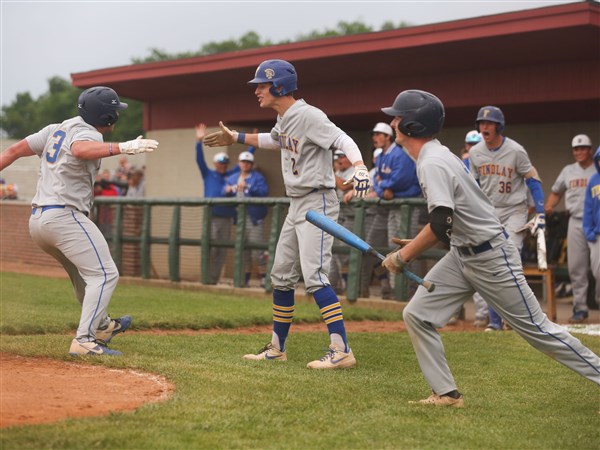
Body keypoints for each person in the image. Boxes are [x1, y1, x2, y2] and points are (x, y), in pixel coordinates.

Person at [379, 89, 600, 407]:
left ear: (412, 125)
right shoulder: (436, 155)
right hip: (462, 253)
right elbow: (451, 220)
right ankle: (447, 394)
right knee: (418, 314)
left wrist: (403, 256)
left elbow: (441, 222)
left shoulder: (432, 162)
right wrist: (415, 243)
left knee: (540, 331)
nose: (393, 123)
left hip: (491, 255)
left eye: (397, 118)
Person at [204, 59, 370, 369]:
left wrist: (359, 166)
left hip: (317, 200)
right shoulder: (286, 117)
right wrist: (238, 138)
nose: (257, 91)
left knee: (315, 276)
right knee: (280, 275)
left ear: (279, 86)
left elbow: (342, 139)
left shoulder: (308, 115)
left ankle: (342, 349)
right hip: (297, 203)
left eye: (262, 86)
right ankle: (277, 348)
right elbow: (275, 140)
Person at [0, 86, 158, 356]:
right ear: (107, 115)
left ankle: (104, 325)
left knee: (85, 277)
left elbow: (13, 150)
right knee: (106, 274)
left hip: (39, 220)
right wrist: (124, 147)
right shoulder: (89, 133)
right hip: (63, 216)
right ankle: (85, 339)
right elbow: (81, 149)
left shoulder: (55, 128)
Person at [468, 105, 546, 331]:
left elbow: (533, 180)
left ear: (498, 126)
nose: (484, 127)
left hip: (515, 210)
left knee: (509, 258)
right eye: (481, 123)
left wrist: (540, 211)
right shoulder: (475, 153)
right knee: (491, 261)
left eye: (489, 123)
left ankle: (517, 316)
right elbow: (472, 186)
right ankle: (495, 321)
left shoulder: (516, 150)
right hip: (489, 212)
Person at [545, 134, 597, 322]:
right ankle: (580, 308)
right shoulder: (568, 170)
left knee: (598, 268)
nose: (580, 152)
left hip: (597, 222)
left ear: (590, 150)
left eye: (583, 148)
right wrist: (548, 207)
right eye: (576, 149)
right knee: (576, 267)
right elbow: (556, 192)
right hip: (575, 221)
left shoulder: (597, 169)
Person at [195, 123, 254, 284]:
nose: (222, 165)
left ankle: (213, 280)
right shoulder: (209, 174)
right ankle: (206, 278)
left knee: (222, 249)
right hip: (212, 216)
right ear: (215, 164)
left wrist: (252, 146)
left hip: (227, 217)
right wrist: (198, 141)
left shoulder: (231, 174)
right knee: (210, 247)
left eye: (225, 163)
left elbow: (243, 163)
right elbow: (199, 160)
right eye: (220, 163)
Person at [448, 129, 488, 327]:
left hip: (480, 222)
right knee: (456, 269)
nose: (472, 148)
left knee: (479, 267)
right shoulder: (461, 164)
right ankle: (454, 311)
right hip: (459, 221)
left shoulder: (486, 164)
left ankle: (482, 314)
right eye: (470, 144)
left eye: (476, 144)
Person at [223, 151, 269, 287]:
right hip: (238, 217)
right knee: (243, 250)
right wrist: (228, 189)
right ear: (239, 163)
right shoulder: (232, 178)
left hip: (254, 218)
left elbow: (263, 192)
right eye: (243, 162)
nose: (245, 164)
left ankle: (264, 278)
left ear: (252, 164)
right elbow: (222, 192)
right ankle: (244, 279)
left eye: (248, 162)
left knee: (258, 251)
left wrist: (248, 187)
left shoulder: (258, 177)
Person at [330, 149, 356, 294]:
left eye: (342, 156)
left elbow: (344, 186)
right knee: (335, 252)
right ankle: (337, 284)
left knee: (345, 253)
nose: (339, 160)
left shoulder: (356, 170)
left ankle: (349, 286)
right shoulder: (339, 172)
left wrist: (331, 171)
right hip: (340, 217)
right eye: (337, 157)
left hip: (355, 217)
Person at [583, 146, 600, 304]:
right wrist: (588, 230)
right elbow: (588, 208)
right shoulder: (593, 180)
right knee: (597, 271)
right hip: (597, 235)